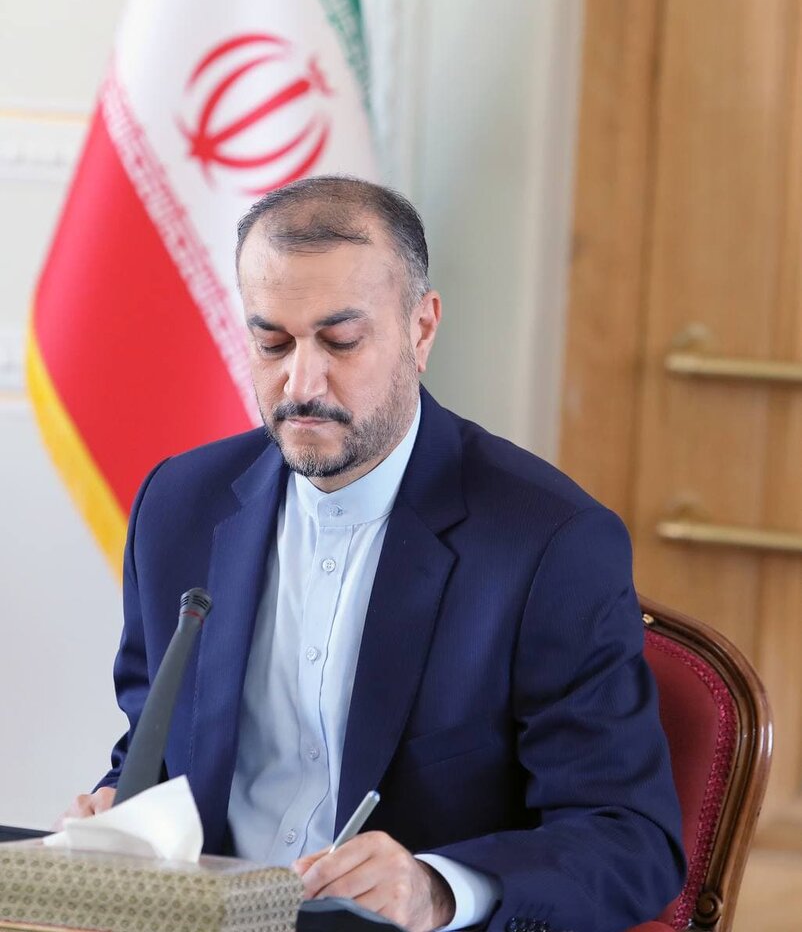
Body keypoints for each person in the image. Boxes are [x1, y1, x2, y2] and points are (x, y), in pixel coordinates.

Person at [60, 177, 685, 932]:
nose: (301, 383)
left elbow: (629, 840)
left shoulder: (550, 542)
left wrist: (437, 888)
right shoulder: (179, 506)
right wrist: (119, 813)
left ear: (421, 330)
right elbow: (153, 749)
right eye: (272, 342)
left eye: (341, 341)